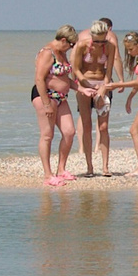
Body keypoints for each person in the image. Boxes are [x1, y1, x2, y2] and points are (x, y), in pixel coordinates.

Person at [94, 31, 138, 178]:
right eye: (127, 50)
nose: (130, 53)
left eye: (131, 49)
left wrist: (117, 84)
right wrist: (130, 97)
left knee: (134, 130)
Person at [31, 26, 82, 185]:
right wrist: (46, 103)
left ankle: (61, 169)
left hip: (61, 97)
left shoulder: (62, 53)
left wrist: (82, 89)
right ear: (63, 40)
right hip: (45, 95)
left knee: (69, 132)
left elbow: (65, 78)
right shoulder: (47, 53)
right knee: (47, 135)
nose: (72, 47)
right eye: (71, 44)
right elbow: (39, 79)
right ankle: (48, 175)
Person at [71, 19, 120, 177]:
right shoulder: (82, 45)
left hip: (102, 83)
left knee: (104, 127)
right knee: (86, 125)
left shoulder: (110, 46)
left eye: (103, 40)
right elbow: (76, 69)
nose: (100, 44)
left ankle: (105, 166)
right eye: (97, 41)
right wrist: (84, 85)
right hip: (85, 84)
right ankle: (89, 166)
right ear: (92, 36)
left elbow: (109, 70)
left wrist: (104, 88)